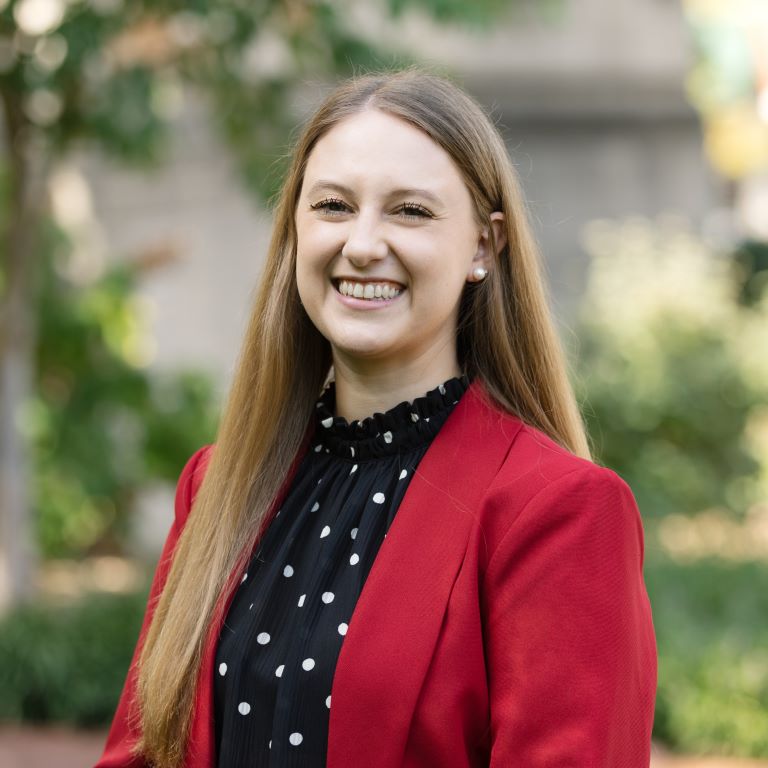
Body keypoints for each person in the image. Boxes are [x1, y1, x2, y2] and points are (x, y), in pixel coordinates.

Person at [96, 69, 656, 768]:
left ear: (484, 246)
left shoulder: (559, 513)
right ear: (295, 228)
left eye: (410, 212)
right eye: (333, 205)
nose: (362, 243)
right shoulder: (216, 485)